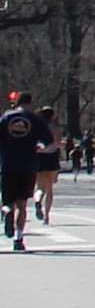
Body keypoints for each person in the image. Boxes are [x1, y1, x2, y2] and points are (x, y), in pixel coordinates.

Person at [0, 99, 44, 250]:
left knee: (7, 202)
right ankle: (18, 239)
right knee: (22, 204)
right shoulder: (35, 120)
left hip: (7, 165)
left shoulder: (5, 118)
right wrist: (39, 147)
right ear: (30, 103)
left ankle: (6, 212)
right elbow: (49, 142)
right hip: (27, 165)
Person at [31, 106, 61, 224]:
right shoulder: (54, 129)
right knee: (49, 189)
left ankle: (37, 201)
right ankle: (47, 216)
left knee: (39, 187)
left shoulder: (36, 128)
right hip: (52, 157)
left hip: (39, 157)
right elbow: (57, 143)